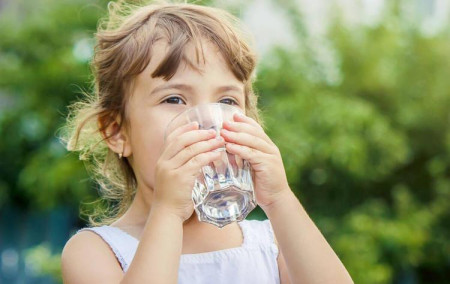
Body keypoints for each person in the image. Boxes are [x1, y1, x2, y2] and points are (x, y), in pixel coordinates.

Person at [61, 1, 353, 283]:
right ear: (116, 132)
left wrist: (279, 199)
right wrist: (169, 211)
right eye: (174, 99)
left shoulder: (273, 243)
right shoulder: (96, 251)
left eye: (227, 100)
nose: (205, 122)